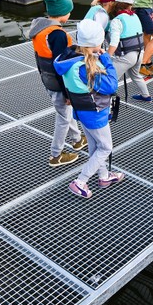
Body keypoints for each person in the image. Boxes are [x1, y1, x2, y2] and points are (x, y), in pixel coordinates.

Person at [54, 20, 121, 199]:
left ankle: (104, 176)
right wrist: (106, 59)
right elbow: (111, 85)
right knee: (106, 147)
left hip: (82, 111)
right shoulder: (87, 67)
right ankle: (80, 181)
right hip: (95, 113)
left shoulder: (70, 59)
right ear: (96, 43)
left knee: (95, 146)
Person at [29, 0, 89, 167]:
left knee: (65, 113)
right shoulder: (58, 35)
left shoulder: (41, 29)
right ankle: (56, 155)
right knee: (63, 118)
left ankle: (77, 139)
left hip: (47, 80)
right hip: (59, 84)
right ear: (65, 13)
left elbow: (48, 58)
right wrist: (68, 93)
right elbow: (61, 65)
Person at [107, 0, 150, 102]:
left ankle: (107, 107)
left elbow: (114, 42)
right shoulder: (135, 16)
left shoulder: (117, 20)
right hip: (140, 53)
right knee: (136, 75)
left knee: (110, 79)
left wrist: (107, 57)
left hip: (127, 56)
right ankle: (146, 96)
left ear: (116, 4)